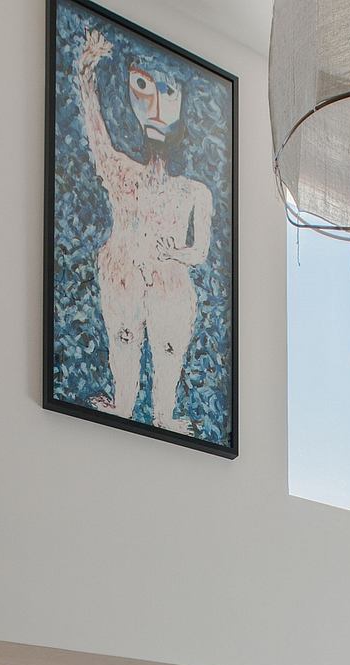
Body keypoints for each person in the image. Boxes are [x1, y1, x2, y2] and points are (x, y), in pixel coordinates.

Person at [78, 27, 214, 435]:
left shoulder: (195, 192)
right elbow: (98, 138)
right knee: (123, 340)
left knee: (168, 349)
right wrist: (86, 77)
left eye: (168, 95)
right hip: (122, 275)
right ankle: (122, 405)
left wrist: (176, 253)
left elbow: (200, 251)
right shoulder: (123, 173)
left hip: (169, 285)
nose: (156, 108)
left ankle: (163, 415)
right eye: (142, 87)